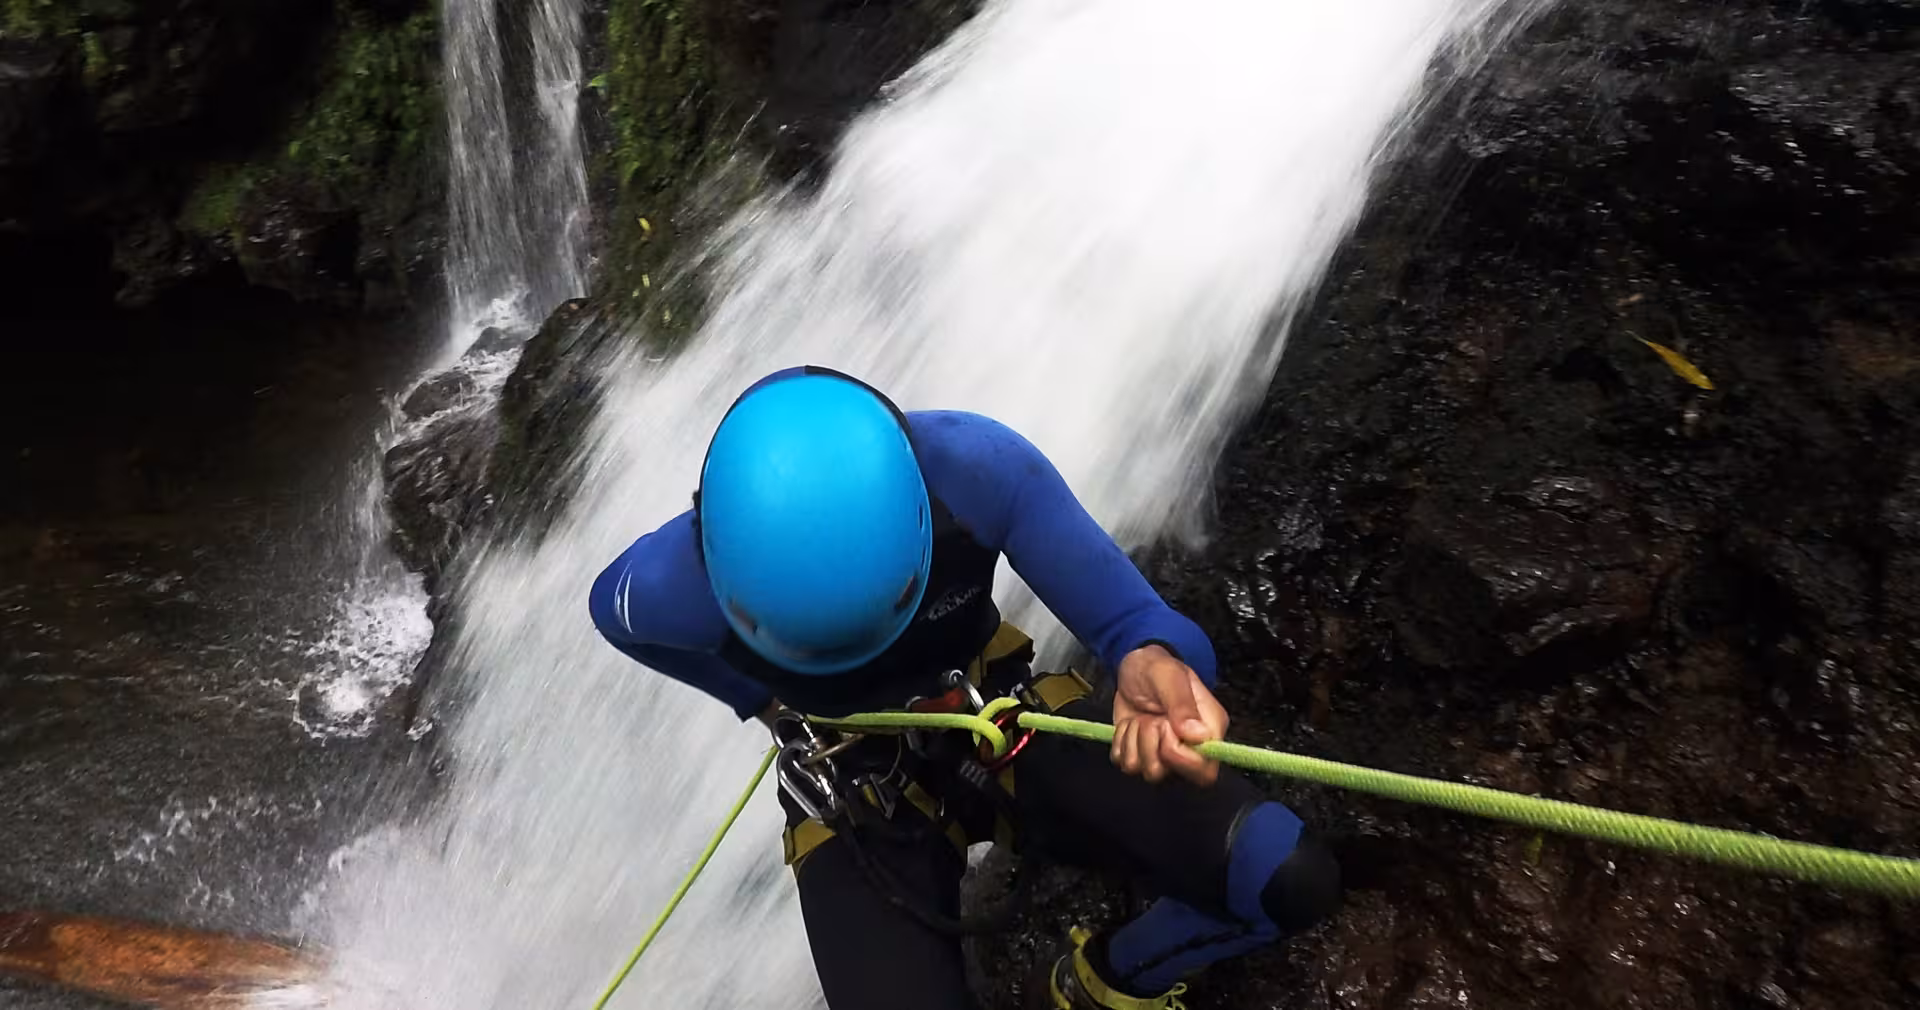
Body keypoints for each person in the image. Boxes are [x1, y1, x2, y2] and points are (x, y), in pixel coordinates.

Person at [588, 366, 1340, 1010]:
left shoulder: (978, 470)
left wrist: (1160, 661)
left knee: (1283, 877)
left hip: (1000, 715)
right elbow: (614, 617)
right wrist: (761, 707)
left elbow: (1135, 619)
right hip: (856, 780)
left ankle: (1108, 980)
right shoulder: (665, 586)